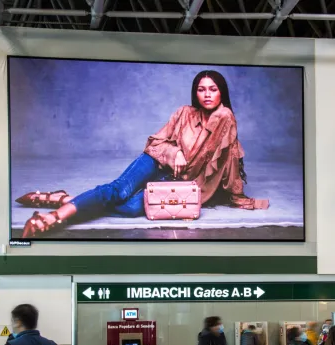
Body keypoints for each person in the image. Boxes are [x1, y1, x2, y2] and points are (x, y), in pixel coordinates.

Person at [17, 70, 269, 237]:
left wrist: (238, 196)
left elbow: (230, 161)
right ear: (195, 92)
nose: (207, 95)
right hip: (156, 162)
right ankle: (51, 218)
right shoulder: (184, 112)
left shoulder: (225, 118)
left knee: (129, 208)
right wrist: (174, 153)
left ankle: (65, 198)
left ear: (222, 92)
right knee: (117, 191)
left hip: (181, 184)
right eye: (201, 89)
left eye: (213, 89)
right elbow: (155, 143)